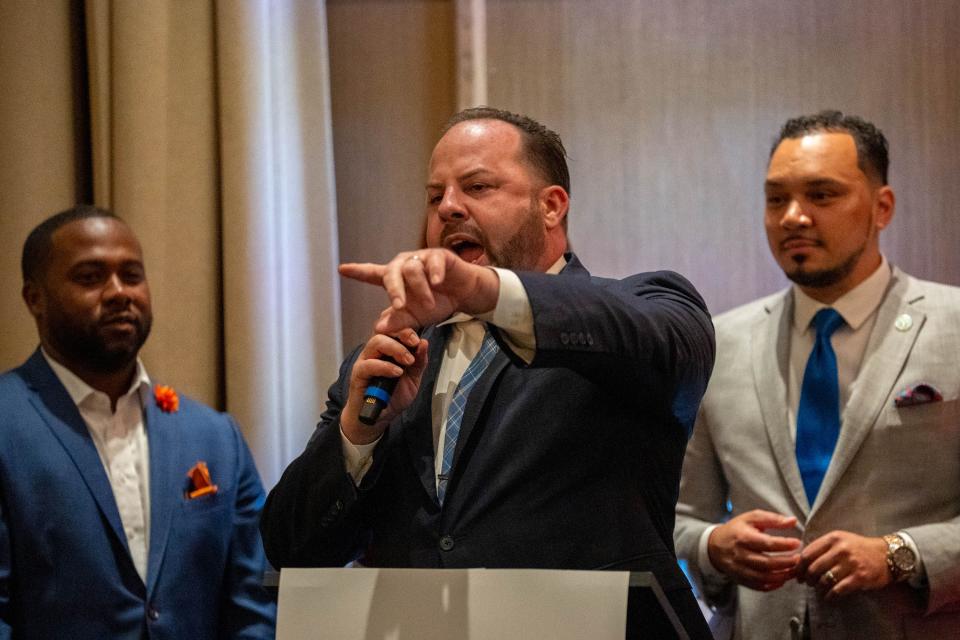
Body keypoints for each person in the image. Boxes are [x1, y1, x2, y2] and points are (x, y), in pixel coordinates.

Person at [260, 107, 716, 637]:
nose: (449, 208)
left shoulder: (641, 308)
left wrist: (486, 291)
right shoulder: (388, 357)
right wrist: (358, 434)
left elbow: (658, 343)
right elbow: (291, 549)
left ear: (551, 206)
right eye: (436, 196)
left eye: (477, 187)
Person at [674, 110, 960, 639]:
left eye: (822, 195)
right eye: (776, 198)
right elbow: (679, 517)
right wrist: (714, 546)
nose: (793, 218)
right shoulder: (719, 343)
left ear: (882, 208)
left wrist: (901, 554)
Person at [0, 206, 276, 639]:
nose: (118, 293)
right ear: (35, 298)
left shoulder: (215, 437)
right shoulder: (6, 423)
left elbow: (256, 603)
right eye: (90, 278)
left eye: (131, 275)